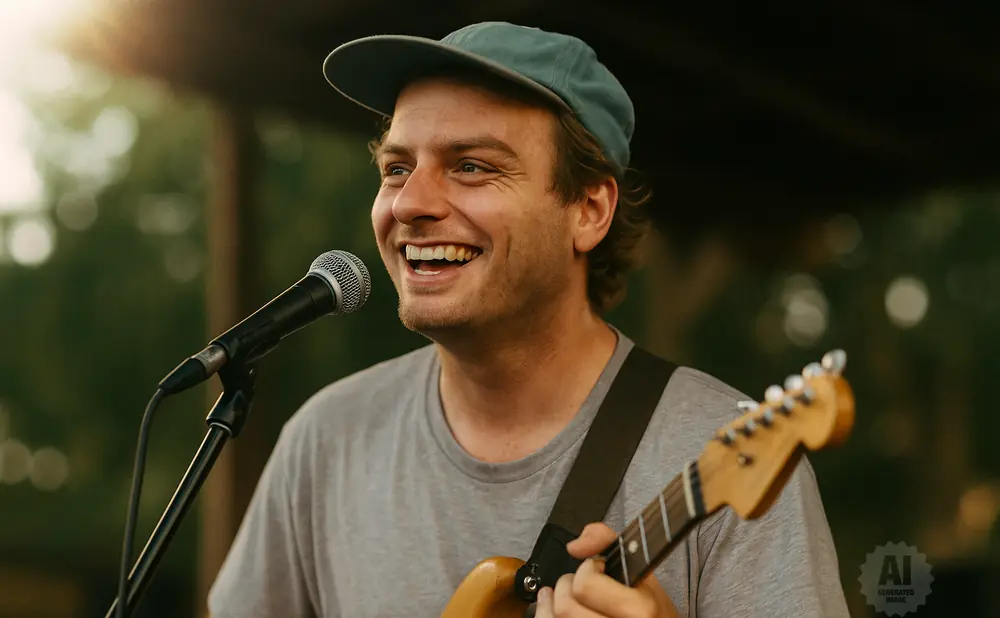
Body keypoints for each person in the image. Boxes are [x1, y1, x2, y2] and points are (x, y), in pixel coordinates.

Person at [207, 21, 850, 618]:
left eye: (471, 167)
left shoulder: (731, 452)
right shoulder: (326, 440)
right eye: (396, 168)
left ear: (590, 210)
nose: (411, 203)